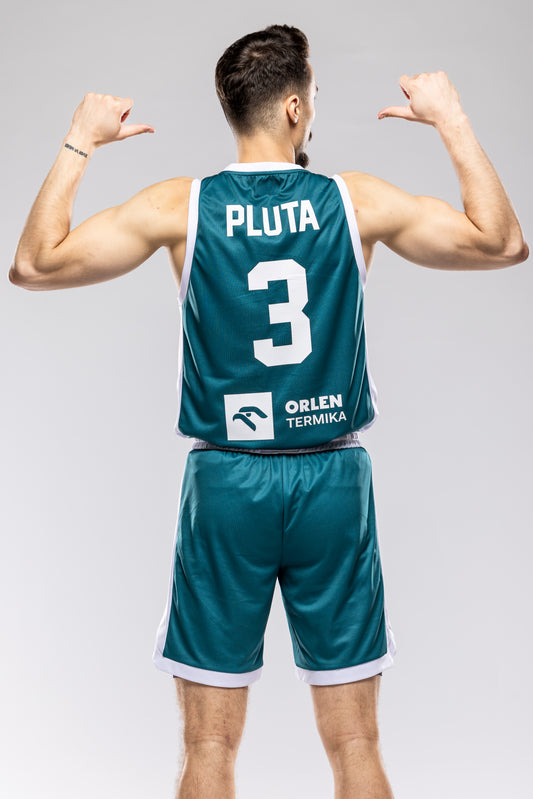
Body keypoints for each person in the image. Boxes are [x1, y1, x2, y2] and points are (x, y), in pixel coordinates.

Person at [9, 22, 528, 799]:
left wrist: (79, 140)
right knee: (355, 742)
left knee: (207, 746)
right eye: (312, 95)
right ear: (292, 108)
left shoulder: (181, 206)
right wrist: (450, 118)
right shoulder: (354, 200)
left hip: (226, 484)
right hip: (332, 483)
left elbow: (33, 264)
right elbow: (501, 242)